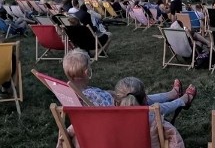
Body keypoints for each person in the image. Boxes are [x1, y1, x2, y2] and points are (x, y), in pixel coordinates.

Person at [62, 48, 196, 114]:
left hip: (119, 106)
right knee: (153, 109)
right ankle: (182, 100)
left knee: (138, 96)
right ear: (87, 72)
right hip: (122, 117)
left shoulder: (73, 95)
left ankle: (172, 94)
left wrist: (114, 95)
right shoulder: (89, 95)